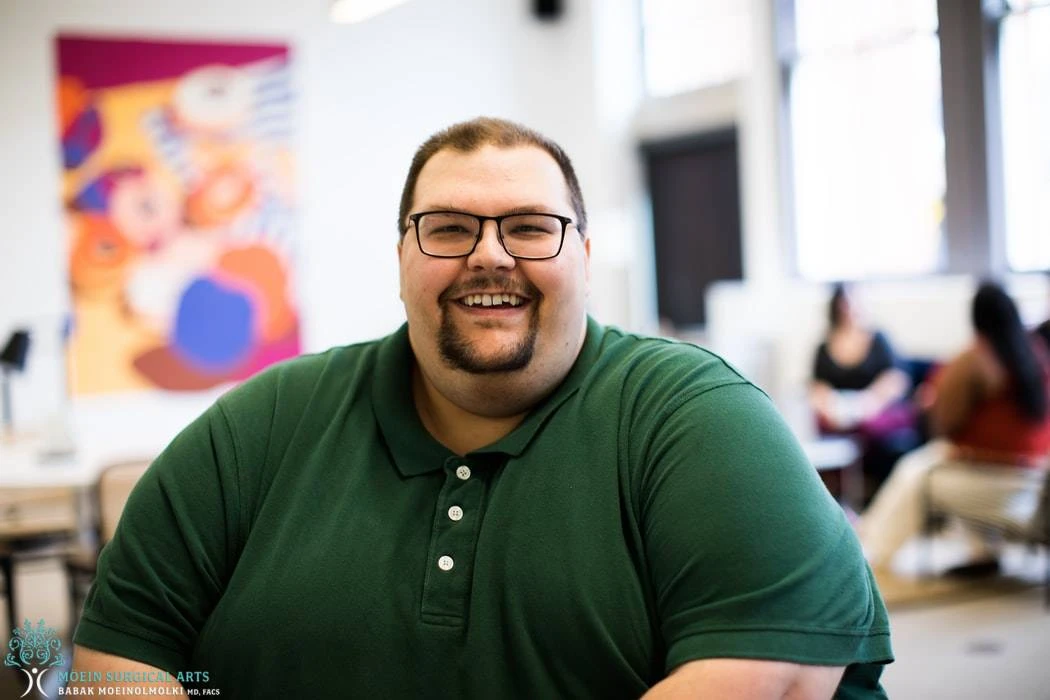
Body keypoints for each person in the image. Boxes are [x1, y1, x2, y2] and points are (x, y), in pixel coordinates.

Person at [69, 117, 892, 698]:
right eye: (449, 227)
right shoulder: (263, 423)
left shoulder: (700, 423)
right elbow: (117, 653)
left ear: (584, 256)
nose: (489, 255)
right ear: (401, 257)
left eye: (532, 227)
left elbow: (771, 681)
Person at [858, 282, 1050, 571]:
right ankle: (983, 552)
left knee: (914, 473)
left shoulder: (976, 359)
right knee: (929, 462)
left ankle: (871, 554)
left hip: (990, 473)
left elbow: (944, 422)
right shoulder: (1036, 353)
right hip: (1031, 477)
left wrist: (928, 403)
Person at [810, 283, 920, 498]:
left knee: (871, 428)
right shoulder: (824, 347)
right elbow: (817, 387)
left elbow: (895, 380)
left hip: (875, 410)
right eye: (844, 304)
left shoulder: (878, 340)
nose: (849, 309)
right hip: (839, 415)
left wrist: (868, 403)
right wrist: (832, 408)